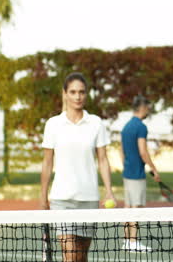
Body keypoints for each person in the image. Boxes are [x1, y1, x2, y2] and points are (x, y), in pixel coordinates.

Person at [40, 72, 116, 262]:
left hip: (89, 199)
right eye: (73, 92)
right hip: (61, 200)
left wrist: (109, 191)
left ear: (86, 94)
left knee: (81, 257)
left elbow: (103, 160)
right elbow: (47, 162)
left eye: (81, 92)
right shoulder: (53, 124)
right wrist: (43, 195)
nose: (77, 96)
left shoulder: (96, 123)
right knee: (70, 256)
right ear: (65, 93)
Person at [119, 95, 161, 252]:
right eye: (148, 108)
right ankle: (133, 242)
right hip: (136, 174)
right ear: (142, 108)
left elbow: (121, 150)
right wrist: (153, 168)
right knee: (136, 208)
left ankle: (126, 241)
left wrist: (126, 164)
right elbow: (143, 151)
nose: (148, 111)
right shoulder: (141, 127)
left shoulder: (126, 127)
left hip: (127, 173)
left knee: (127, 206)